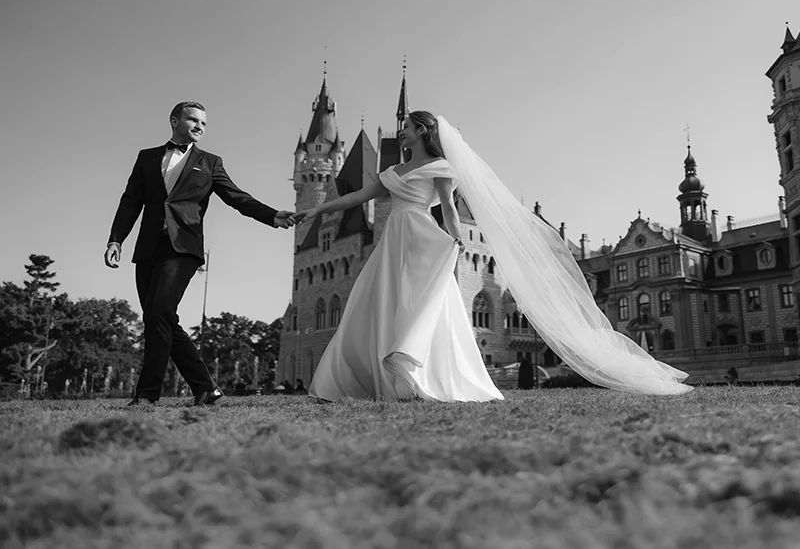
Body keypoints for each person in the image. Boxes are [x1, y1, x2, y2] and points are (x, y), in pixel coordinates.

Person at [299, 110, 692, 401]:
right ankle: (382, 376)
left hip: (421, 237)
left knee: (422, 303)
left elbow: (450, 210)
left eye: (406, 127)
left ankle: (411, 371)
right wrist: (316, 211)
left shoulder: (441, 167)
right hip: (393, 240)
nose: (401, 131)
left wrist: (455, 244)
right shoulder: (396, 170)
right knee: (381, 301)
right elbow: (359, 196)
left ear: (420, 130)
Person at [105, 101, 298, 407]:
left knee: (158, 314)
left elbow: (237, 197)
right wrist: (116, 239)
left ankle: (146, 395)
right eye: (193, 120)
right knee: (160, 318)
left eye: (204, 123)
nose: (199, 126)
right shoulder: (146, 158)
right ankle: (205, 388)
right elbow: (130, 201)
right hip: (147, 247)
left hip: (184, 248)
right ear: (174, 120)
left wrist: (271, 215)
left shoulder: (210, 162)